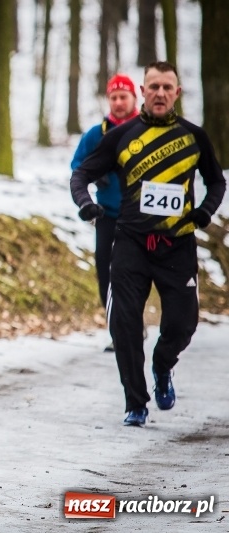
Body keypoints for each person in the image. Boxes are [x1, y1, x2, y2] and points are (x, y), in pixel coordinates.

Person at [70, 61, 226, 428]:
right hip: (131, 244)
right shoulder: (122, 136)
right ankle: (135, 402)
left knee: (183, 324)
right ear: (143, 91)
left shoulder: (193, 136)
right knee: (123, 323)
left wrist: (204, 212)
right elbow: (81, 174)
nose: (159, 93)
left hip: (178, 246)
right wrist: (86, 204)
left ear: (177, 93)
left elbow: (216, 182)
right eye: (153, 86)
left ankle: (162, 365)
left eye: (166, 87)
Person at [71, 73, 139, 352]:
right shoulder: (96, 134)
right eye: (114, 97)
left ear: (134, 98)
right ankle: (117, 331)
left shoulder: (145, 129)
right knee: (105, 272)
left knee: (136, 275)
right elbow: (78, 165)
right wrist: (97, 176)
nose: (119, 102)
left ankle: (136, 326)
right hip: (107, 214)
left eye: (124, 96)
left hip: (139, 218)